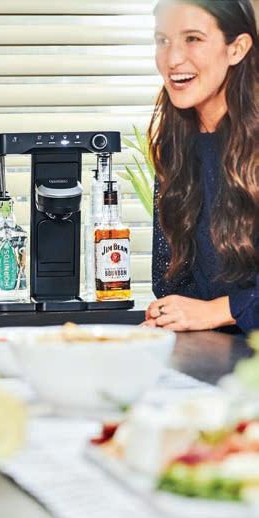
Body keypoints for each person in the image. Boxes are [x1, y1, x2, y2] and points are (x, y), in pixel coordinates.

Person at [144, 0, 258, 332]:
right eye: (163, 40)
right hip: (216, 352)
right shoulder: (175, 148)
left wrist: (221, 310)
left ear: (236, 48)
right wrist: (169, 315)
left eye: (192, 38)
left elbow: (208, 310)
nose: (172, 59)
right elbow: (171, 281)